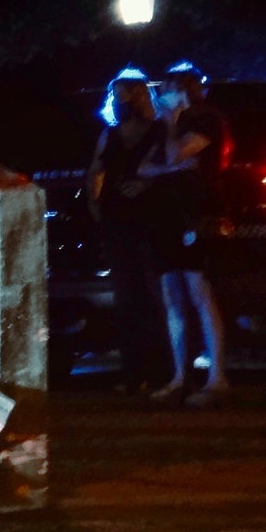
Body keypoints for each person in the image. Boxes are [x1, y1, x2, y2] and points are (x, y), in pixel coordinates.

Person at [140, 65, 233, 405]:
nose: (160, 95)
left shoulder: (205, 121)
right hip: (166, 218)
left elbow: (172, 153)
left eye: (167, 88)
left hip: (196, 216)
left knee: (199, 293)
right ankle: (179, 376)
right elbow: (147, 166)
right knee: (172, 296)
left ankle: (216, 376)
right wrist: (171, 163)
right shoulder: (169, 126)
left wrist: (170, 126)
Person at [85, 70, 166, 392]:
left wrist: (148, 183)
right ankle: (133, 372)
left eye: (127, 96)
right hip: (119, 223)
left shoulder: (160, 131)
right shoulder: (110, 135)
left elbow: (172, 165)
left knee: (155, 296)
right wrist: (96, 205)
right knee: (127, 299)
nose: (121, 103)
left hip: (152, 221)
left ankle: (161, 370)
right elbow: (96, 170)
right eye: (117, 96)